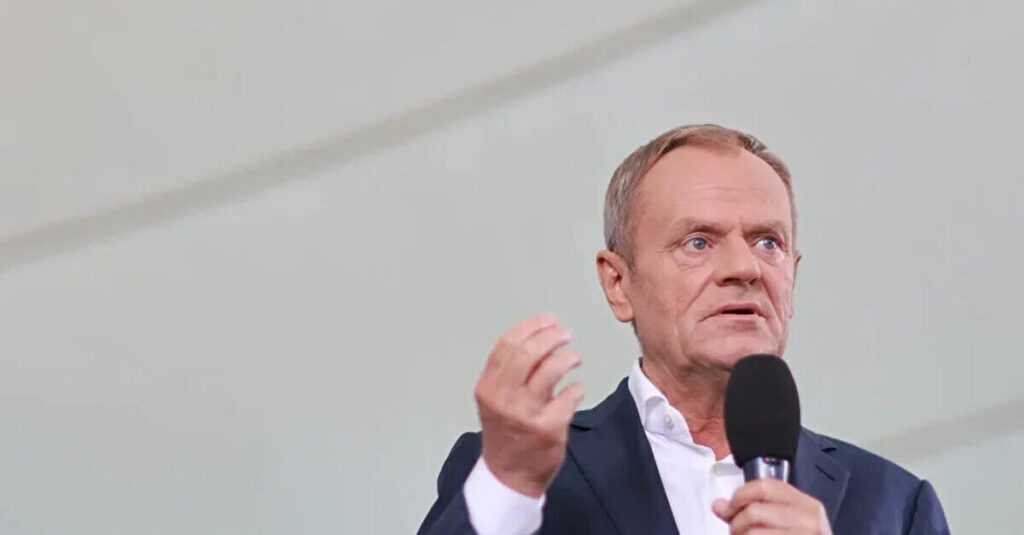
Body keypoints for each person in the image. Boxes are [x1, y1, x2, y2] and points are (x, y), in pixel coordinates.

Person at [417, 124, 949, 534]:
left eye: (768, 242)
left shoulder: (894, 505)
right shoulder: (523, 475)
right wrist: (510, 486)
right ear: (618, 284)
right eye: (698, 242)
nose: (744, 267)